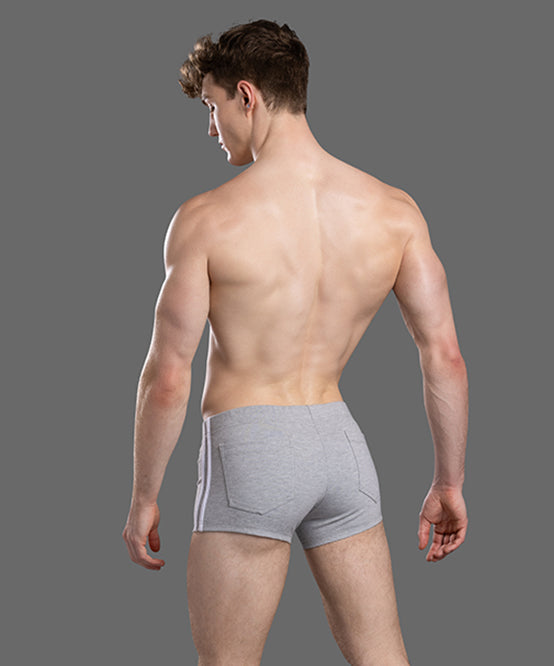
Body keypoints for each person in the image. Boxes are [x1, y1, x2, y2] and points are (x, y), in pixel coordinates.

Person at [122, 18, 469, 666]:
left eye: (212, 107)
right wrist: (449, 482)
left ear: (246, 96)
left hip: (251, 447)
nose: (211, 127)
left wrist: (144, 495)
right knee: (383, 656)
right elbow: (444, 354)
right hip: (342, 448)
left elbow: (167, 376)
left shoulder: (205, 220)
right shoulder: (395, 211)